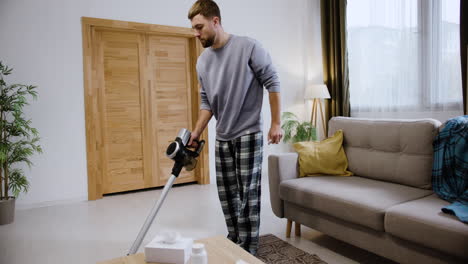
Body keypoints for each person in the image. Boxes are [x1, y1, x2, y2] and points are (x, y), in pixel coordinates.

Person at [187, 0, 282, 255]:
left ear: (215, 21)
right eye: (194, 29)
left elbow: (272, 81)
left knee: (247, 196)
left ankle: (247, 251)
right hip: (223, 136)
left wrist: (275, 122)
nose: (196, 34)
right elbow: (207, 102)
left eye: (199, 27)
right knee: (227, 196)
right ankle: (234, 240)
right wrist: (196, 132)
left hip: (249, 133)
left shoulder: (248, 46)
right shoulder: (202, 62)